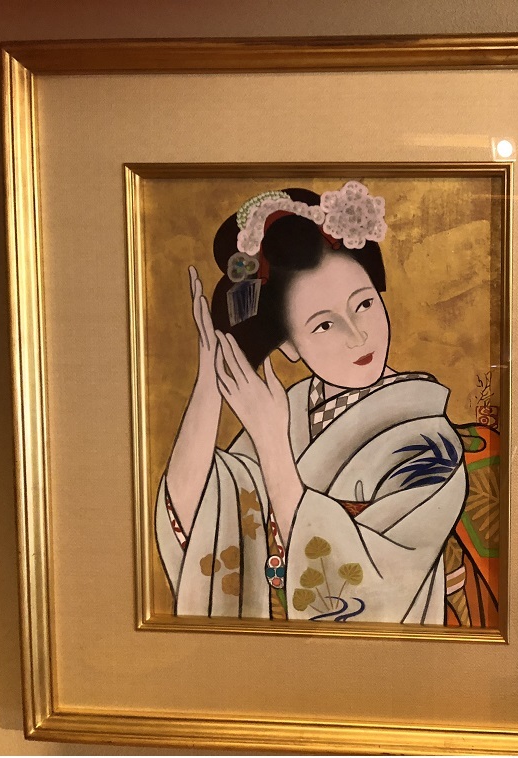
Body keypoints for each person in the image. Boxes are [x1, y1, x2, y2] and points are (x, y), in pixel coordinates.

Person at [155, 182, 468, 623]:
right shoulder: (289, 409)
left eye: (364, 304)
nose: (357, 335)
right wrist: (210, 380)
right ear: (288, 345)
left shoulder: (430, 442)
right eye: (324, 325)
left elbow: (373, 593)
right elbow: (201, 511)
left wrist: (273, 446)